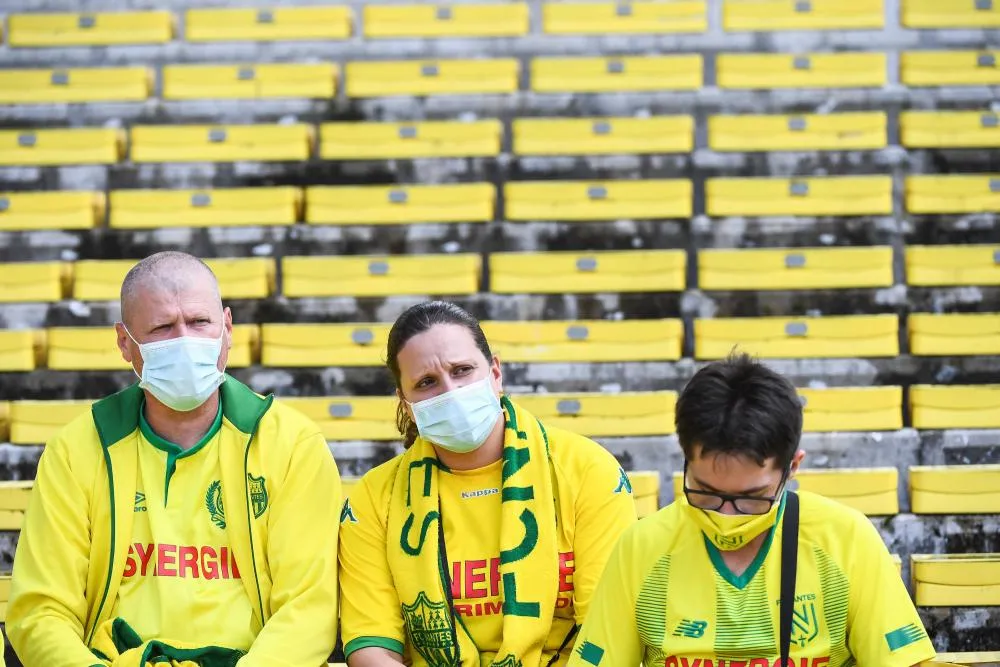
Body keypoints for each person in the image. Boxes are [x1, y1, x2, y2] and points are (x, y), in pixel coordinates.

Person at [8, 251, 342, 667]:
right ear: (125, 343)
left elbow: (309, 608)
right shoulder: (76, 450)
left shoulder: (292, 445)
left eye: (200, 322)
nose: (185, 340)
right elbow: (41, 610)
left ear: (228, 328)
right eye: (163, 328)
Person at [568, 353, 936, 667]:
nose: (727, 516)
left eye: (751, 498)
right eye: (707, 493)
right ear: (685, 461)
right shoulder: (641, 547)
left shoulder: (844, 539)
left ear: (792, 467)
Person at [338, 301, 637, 667]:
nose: (450, 391)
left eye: (462, 370)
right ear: (405, 400)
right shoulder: (374, 497)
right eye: (426, 383)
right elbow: (373, 647)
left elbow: (604, 632)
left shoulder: (587, 470)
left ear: (495, 372)